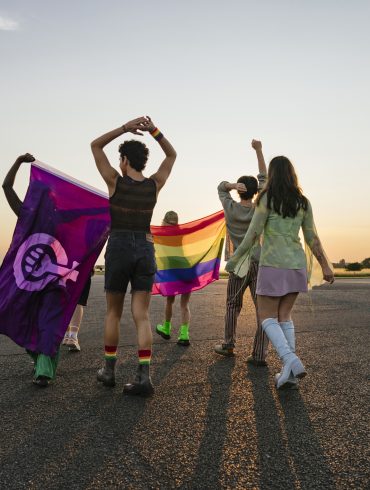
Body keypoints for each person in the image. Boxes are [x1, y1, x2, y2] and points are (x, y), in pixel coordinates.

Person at [226, 155, 334, 390]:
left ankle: (290, 359)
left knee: (267, 317)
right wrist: (325, 265)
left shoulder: (267, 198)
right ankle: (289, 375)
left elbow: (253, 234)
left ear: (273, 175)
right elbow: (312, 237)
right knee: (284, 316)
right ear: (292, 174)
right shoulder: (303, 202)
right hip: (296, 266)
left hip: (273, 265)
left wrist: (234, 259)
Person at [91, 116, 177, 396]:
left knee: (113, 313)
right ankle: (143, 377)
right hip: (144, 248)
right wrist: (154, 130)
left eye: (121, 159)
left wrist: (125, 128)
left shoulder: (115, 182)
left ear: (125, 160)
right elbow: (172, 154)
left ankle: (109, 371)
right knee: (141, 315)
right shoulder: (154, 185)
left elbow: (95, 145)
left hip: (118, 247)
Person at [2, 153, 60, 387]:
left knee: (25, 319)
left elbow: (6, 186)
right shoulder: (58, 218)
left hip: (28, 279)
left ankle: (43, 367)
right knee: (45, 322)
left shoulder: (26, 214)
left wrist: (17, 161)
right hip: (51, 279)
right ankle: (43, 363)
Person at [214, 140, 269, 366]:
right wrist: (258, 150)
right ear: (257, 192)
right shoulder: (260, 208)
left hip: (238, 263)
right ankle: (259, 354)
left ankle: (228, 343)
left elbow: (220, 187)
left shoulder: (231, 207)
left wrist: (231, 186)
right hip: (259, 261)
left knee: (231, 305)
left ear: (240, 190)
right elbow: (264, 177)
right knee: (263, 309)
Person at [156, 211, 191, 346]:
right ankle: (184, 335)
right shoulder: (180, 233)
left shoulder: (161, 235)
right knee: (184, 304)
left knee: (169, 301)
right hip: (185, 268)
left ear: (164, 220)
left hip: (171, 270)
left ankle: (166, 328)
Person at [62, 270, 94, 352]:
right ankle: (72, 337)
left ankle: (66, 335)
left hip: (64, 265)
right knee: (78, 301)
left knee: (64, 300)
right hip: (82, 266)